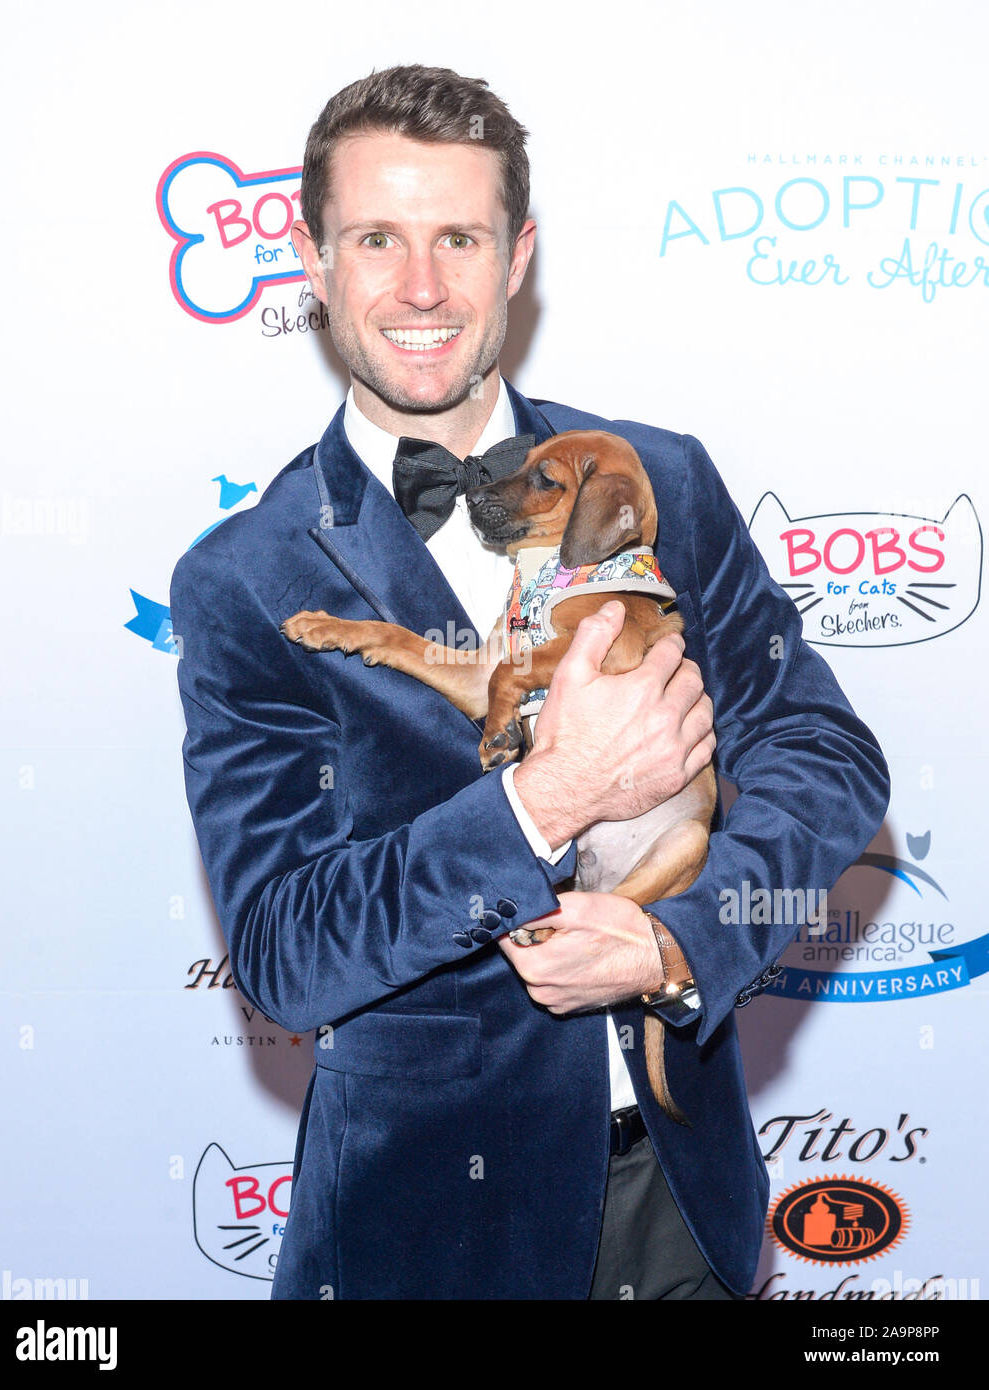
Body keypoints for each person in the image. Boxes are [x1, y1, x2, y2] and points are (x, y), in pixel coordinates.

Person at [170, 64, 889, 1300]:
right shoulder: (245, 579)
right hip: (424, 1240)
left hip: (687, 1207)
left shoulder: (657, 478)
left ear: (519, 256)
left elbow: (827, 757)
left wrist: (677, 939)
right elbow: (287, 954)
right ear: (313, 260)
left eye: (459, 236)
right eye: (376, 238)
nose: (420, 287)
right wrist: (546, 800)